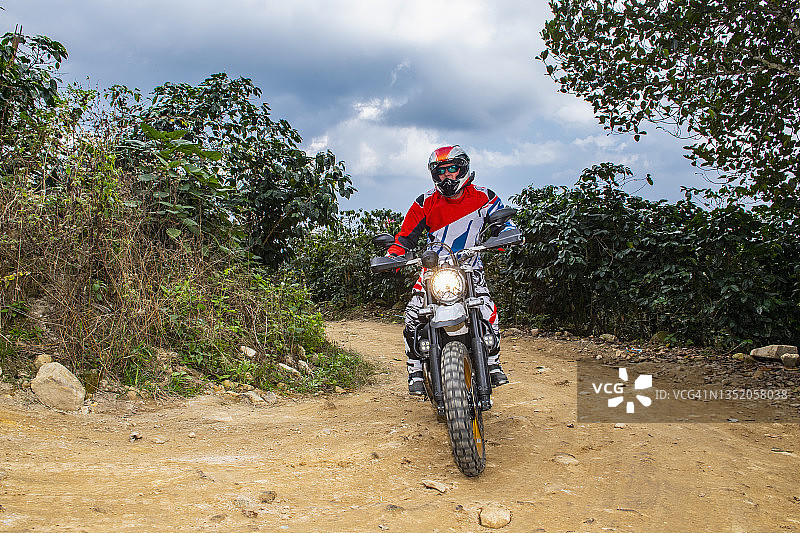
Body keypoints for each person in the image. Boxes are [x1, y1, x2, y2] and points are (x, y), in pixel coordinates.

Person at [387, 145, 513, 395]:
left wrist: (507, 234)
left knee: (487, 310)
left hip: (470, 268)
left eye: (452, 169)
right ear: (434, 175)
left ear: (463, 169)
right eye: (441, 171)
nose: (447, 176)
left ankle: (492, 362)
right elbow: (404, 238)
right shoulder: (425, 202)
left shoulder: (484, 196)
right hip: (433, 271)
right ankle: (414, 370)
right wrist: (394, 255)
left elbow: (502, 222)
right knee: (413, 315)